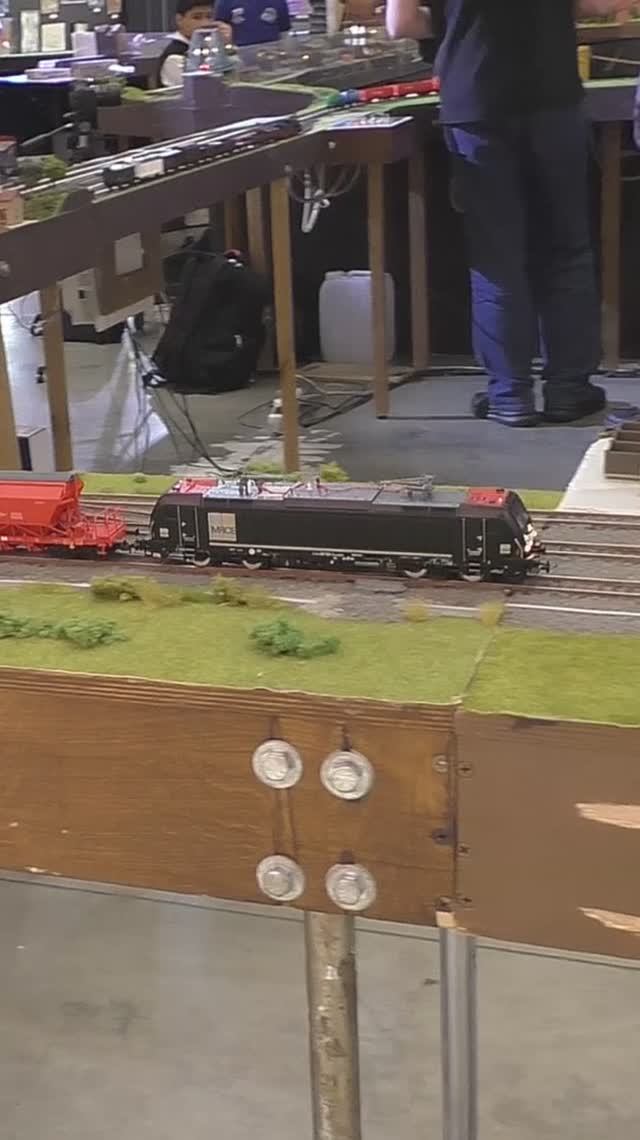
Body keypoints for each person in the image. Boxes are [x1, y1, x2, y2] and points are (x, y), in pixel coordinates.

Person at [385, 0, 632, 427]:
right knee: (566, 252)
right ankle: (568, 389)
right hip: (552, 95)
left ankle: (509, 395)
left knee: (497, 260)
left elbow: (401, 23)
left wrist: (455, 19)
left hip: (476, 98)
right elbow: (601, 2)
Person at [156, 0, 231, 88]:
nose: (205, 23)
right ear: (179, 20)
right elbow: (202, 89)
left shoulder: (210, 49)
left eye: (209, 17)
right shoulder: (174, 57)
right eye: (196, 17)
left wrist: (225, 46)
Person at [214, 0, 291, 48]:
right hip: (240, 53)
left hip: (274, 51)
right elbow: (220, 31)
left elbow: (284, 30)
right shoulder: (225, 2)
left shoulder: (278, 1)